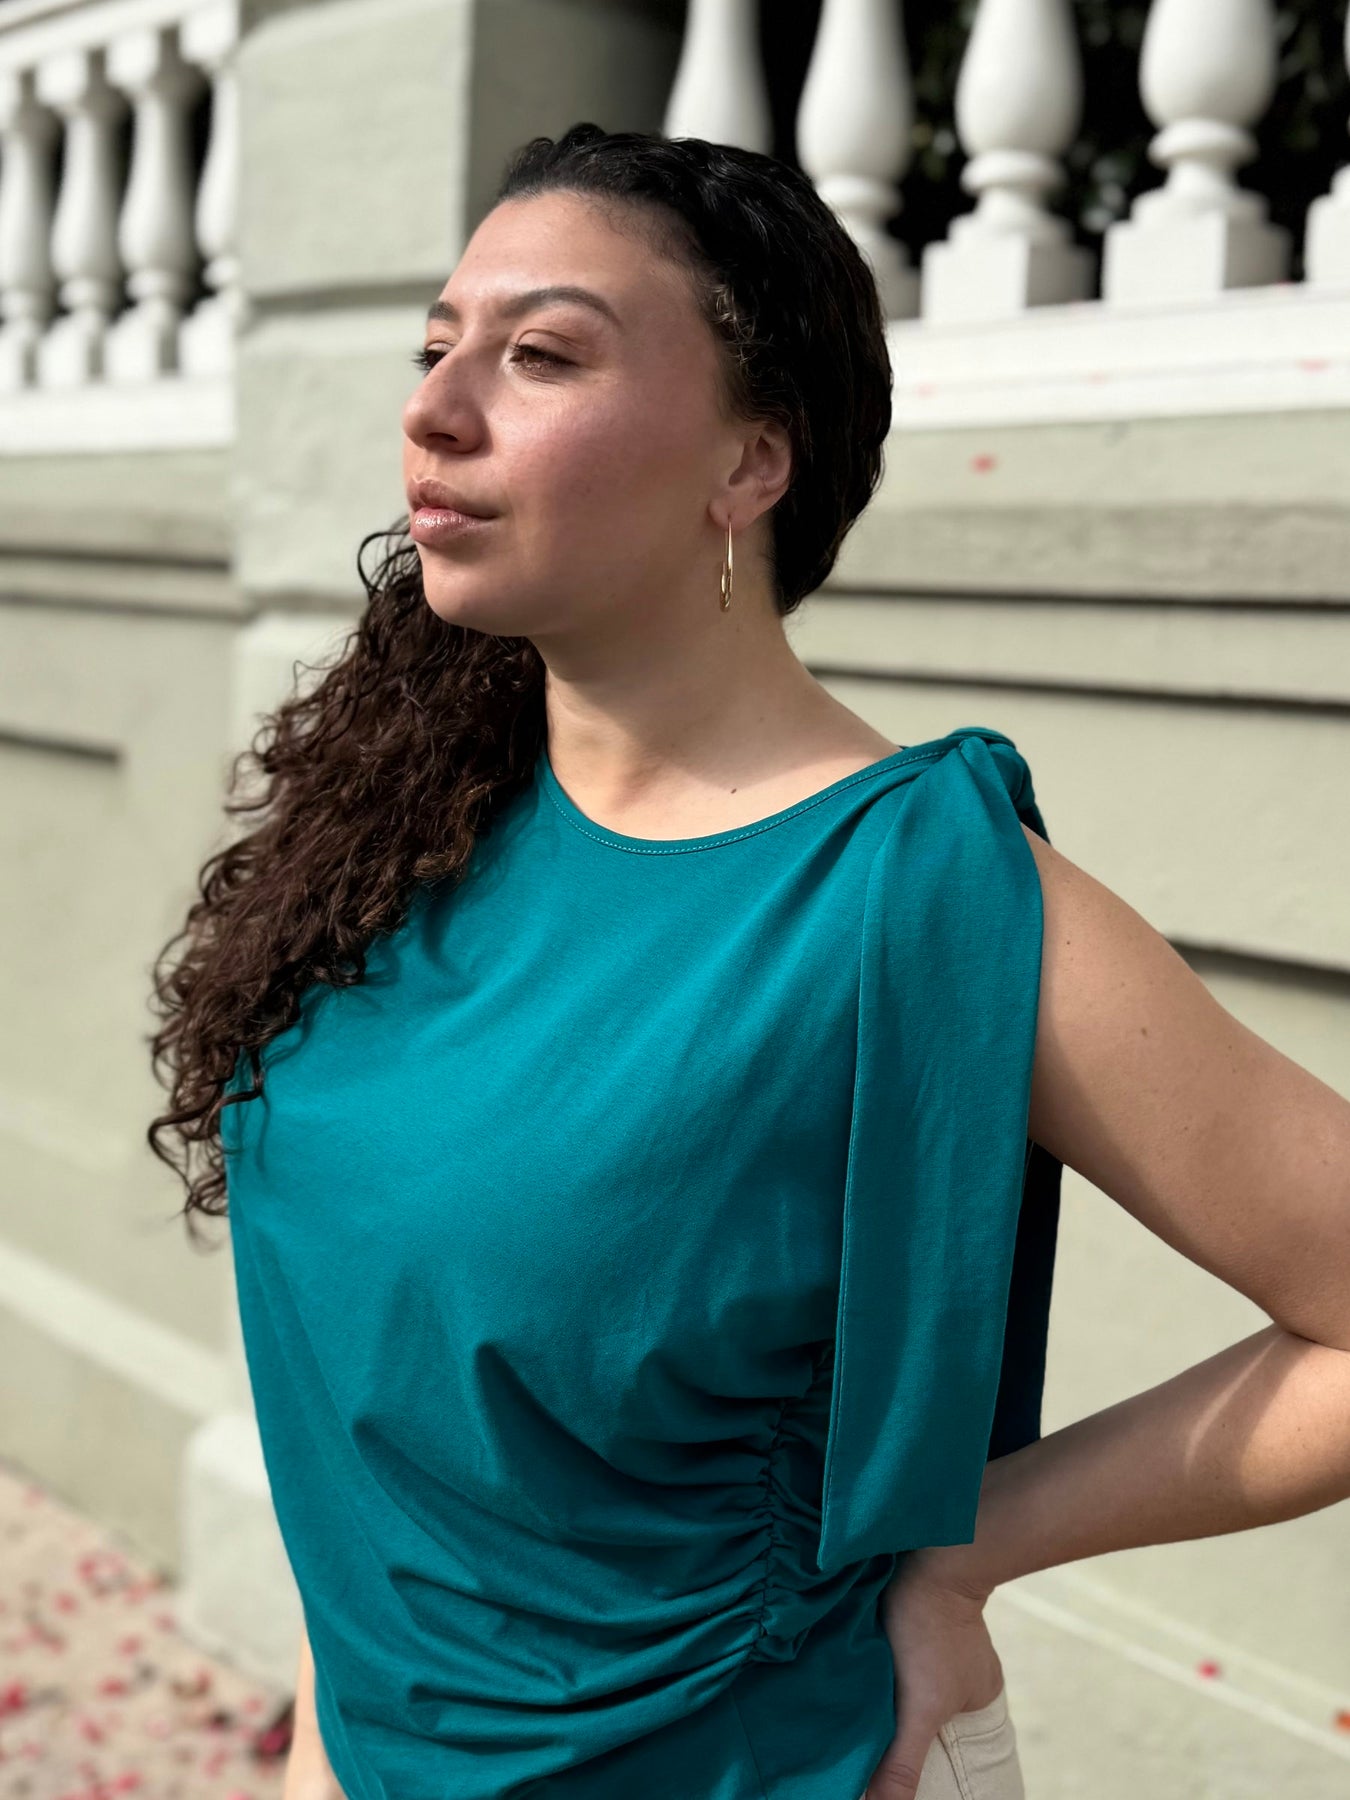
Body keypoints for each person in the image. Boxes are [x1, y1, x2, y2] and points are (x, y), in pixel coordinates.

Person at [146, 124, 1350, 1800]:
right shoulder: (404, 834)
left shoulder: (907, 891)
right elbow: (391, 1408)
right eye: (435, 346)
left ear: (749, 462)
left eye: (541, 354)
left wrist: (966, 1551)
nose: (435, 407)